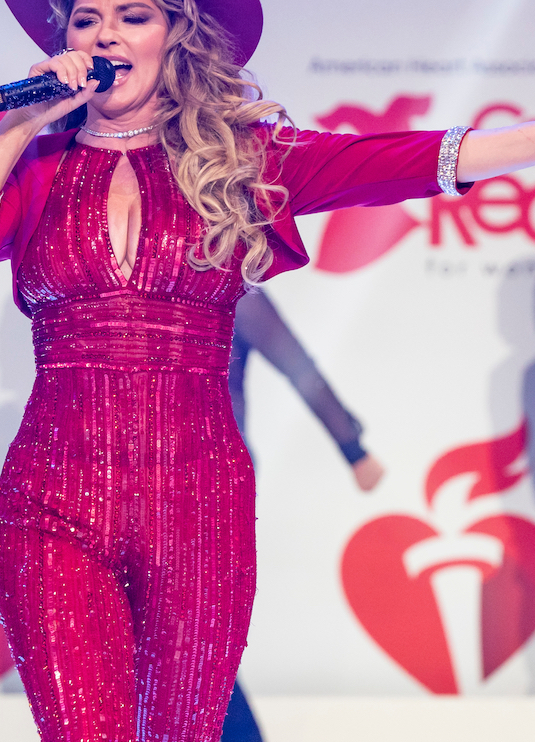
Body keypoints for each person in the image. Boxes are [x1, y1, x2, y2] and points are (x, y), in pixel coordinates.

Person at [0, 0, 535, 742]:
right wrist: (23, 120)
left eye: (132, 17)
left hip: (195, 506)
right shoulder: (34, 164)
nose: (105, 36)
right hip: (53, 504)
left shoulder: (236, 159)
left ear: (176, 34)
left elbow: (394, 162)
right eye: (87, 20)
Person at [223, 288, 382, 742]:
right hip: (138, 482)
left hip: (213, 485)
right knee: (173, 637)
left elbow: (298, 367)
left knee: (192, 636)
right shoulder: (138, 282)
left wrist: (352, 448)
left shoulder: (232, 288)